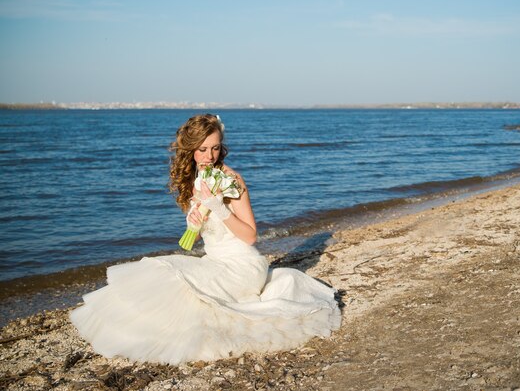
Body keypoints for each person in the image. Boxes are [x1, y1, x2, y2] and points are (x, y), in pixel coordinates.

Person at [70, 114, 341, 365]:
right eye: (202, 149)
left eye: (215, 147)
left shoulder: (231, 179)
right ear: (190, 150)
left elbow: (250, 236)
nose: (209, 155)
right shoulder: (194, 180)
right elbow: (204, 231)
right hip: (214, 260)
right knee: (164, 270)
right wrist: (195, 221)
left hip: (242, 264)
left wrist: (220, 208)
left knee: (178, 282)